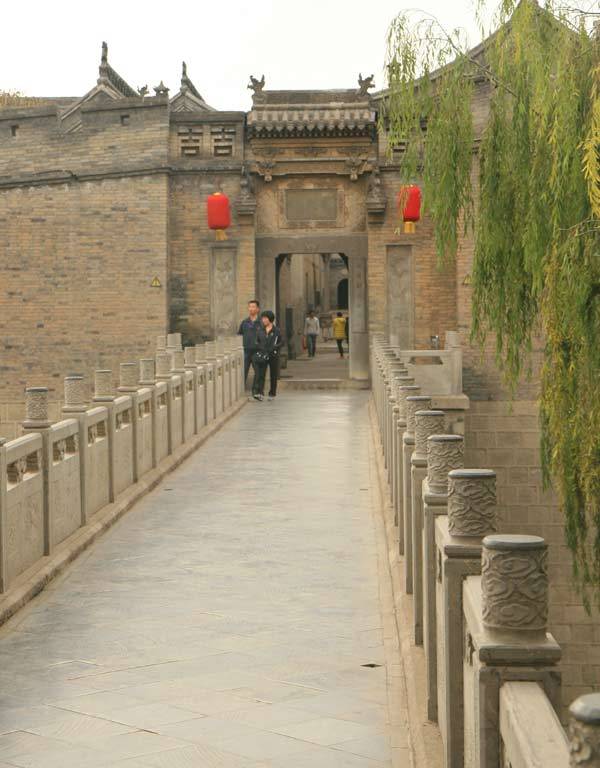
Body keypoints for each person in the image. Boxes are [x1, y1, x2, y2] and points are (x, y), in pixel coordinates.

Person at [252, 310, 284, 401]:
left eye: (265, 318)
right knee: (261, 374)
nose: (263, 320)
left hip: (273, 355)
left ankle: (272, 393)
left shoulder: (276, 330)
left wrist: (275, 347)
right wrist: (259, 347)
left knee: (273, 375)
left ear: (270, 319)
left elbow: (281, 342)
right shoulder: (260, 330)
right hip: (263, 354)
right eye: (262, 318)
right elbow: (256, 341)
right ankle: (260, 392)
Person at [238, 300, 261, 384]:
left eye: (253, 307)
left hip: (257, 351)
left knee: (259, 372)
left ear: (258, 309)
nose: (251, 309)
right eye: (250, 307)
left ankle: (257, 391)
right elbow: (240, 335)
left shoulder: (261, 323)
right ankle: (241, 391)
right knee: (243, 372)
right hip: (246, 351)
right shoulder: (244, 322)